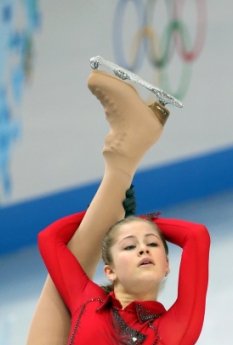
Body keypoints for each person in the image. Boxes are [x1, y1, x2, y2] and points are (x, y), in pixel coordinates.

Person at [27, 69, 210, 344]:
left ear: (167, 266)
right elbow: (49, 239)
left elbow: (196, 237)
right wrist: (126, 222)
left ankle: (125, 156)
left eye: (152, 244)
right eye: (130, 246)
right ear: (109, 271)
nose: (144, 248)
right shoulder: (89, 301)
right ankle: (124, 157)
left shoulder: (173, 330)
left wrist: (124, 225)